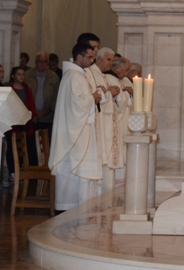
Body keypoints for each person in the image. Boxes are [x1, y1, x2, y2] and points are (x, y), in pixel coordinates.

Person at [49, 43, 104, 212]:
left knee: (79, 171)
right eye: (89, 57)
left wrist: (95, 95)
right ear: (79, 57)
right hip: (74, 134)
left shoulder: (80, 75)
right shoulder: (73, 76)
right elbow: (76, 104)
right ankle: (69, 208)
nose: (92, 60)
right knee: (72, 170)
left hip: (81, 130)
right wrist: (93, 98)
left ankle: (81, 207)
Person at [88, 47, 123, 192]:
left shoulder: (102, 75)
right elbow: (94, 98)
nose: (111, 63)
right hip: (100, 123)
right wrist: (109, 93)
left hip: (107, 123)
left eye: (112, 60)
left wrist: (112, 94)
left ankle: (106, 193)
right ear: (99, 59)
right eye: (108, 59)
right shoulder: (90, 73)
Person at [4, 66, 38, 186]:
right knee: (12, 148)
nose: (21, 76)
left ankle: (21, 171)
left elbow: (31, 105)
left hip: (25, 123)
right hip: (12, 124)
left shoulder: (26, 88)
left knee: (24, 148)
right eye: (18, 74)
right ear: (13, 76)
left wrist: (28, 116)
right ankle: (12, 173)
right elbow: (7, 105)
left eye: (23, 74)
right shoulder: (9, 88)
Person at [104, 56, 133, 186]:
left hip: (122, 121)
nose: (126, 74)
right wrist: (126, 94)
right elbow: (120, 104)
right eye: (126, 70)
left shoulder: (118, 80)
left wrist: (127, 93)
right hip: (117, 122)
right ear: (118, 68)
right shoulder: (110, 78)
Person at [24, 51, 60, 141]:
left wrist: (48, 111)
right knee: (31, 144)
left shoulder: (54, 77)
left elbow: (56, 96)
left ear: (48, 63)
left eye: (45, 61)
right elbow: (24, 95)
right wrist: (32, 110)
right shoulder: (27, 75)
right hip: (31, 118)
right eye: (40, 61)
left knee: (45, 144)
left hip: (47, 118)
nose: (42, 64)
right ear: (35, 62)